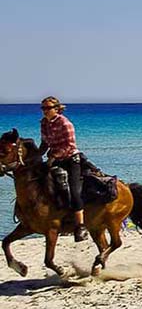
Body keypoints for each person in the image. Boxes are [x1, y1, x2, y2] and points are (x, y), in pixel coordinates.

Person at [38, 96, 89, 241]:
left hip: (70, 159)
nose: (45, 111)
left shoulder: (65, 123)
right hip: (54, 159)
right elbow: (44, 144)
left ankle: (80, 226)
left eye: (48, 108)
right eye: (43, 108)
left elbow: (69, 146)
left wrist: (53, 157)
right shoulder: (44, 123)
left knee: (74, 191)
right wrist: (34, 156)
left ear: (56, 108)